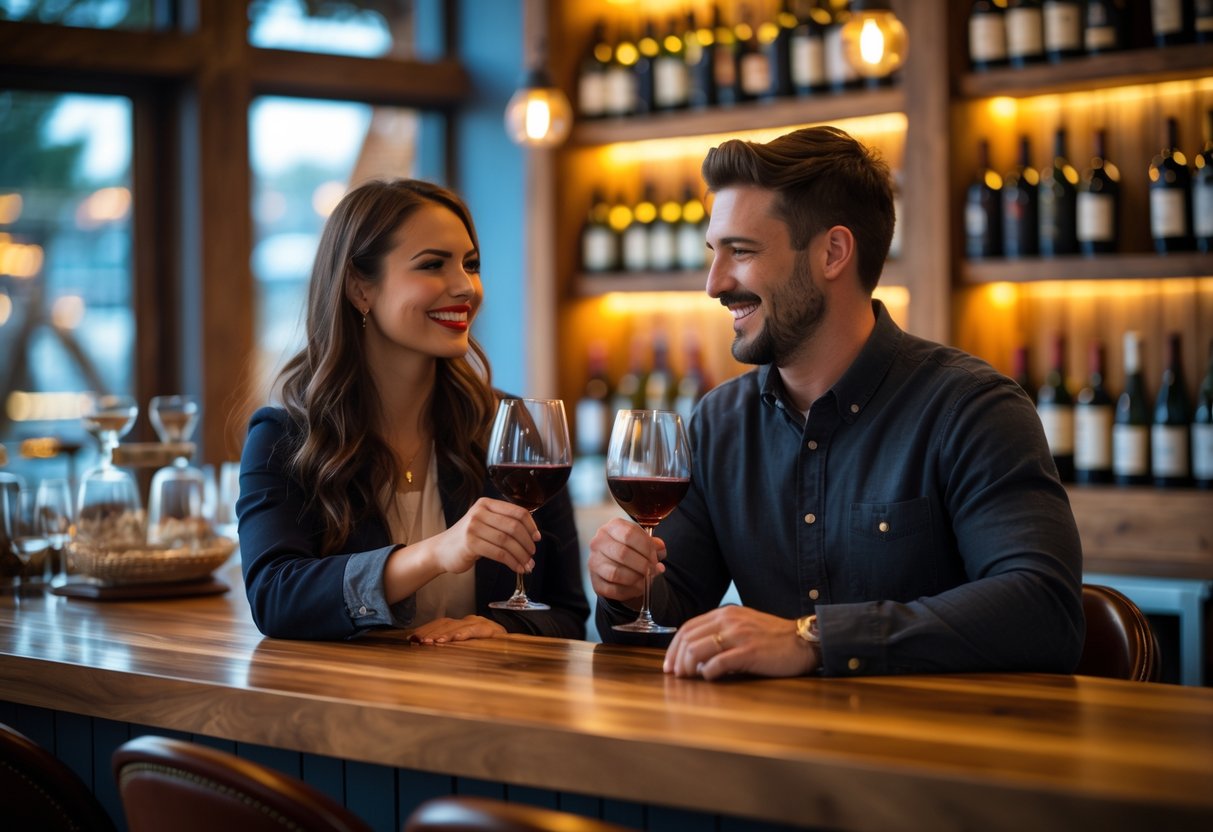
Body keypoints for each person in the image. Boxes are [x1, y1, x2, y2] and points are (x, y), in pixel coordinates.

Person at [588, 126, 1085, 679]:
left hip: (939, 753)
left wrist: (812, 638)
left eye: (742, 252)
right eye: (714, 253)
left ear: (833, 252)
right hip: (776, 758)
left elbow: (1044, 610)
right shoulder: (718, 424)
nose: (714, 283)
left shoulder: (971, 410)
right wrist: (631, 589)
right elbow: (664, 624)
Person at [237, 179, 587, 642]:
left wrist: (502, 629)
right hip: (347, 710)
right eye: (432, 265)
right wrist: (438, 552)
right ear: (361, 289)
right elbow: (275, 597)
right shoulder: (284, 437)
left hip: (488, 706)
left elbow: (567, 614)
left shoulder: (510, 430)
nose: (465, 287)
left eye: (471, 264)